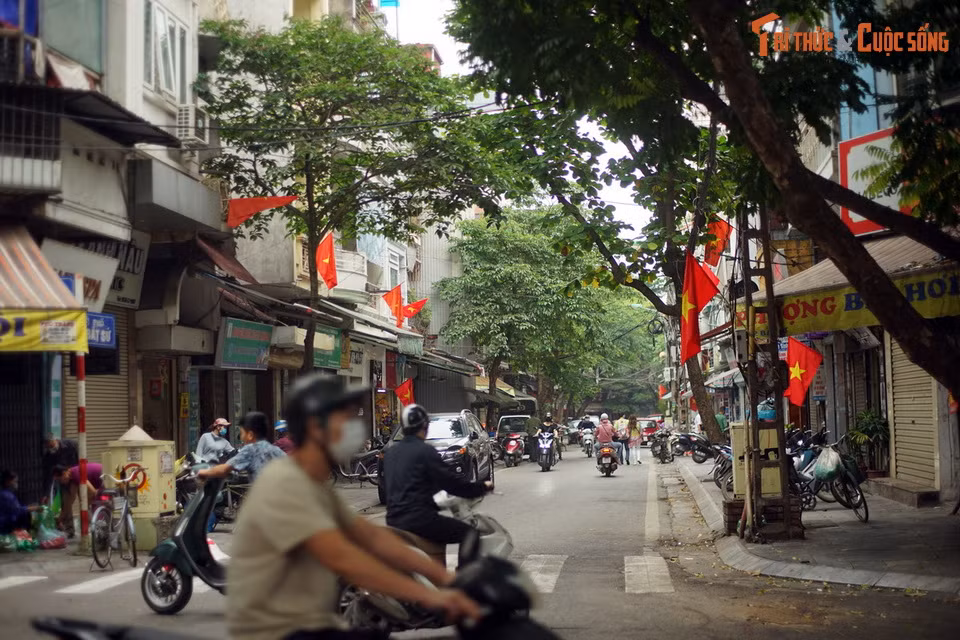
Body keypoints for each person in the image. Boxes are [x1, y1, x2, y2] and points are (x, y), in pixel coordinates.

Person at [227, 374, 481, 640]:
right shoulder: (286, 483)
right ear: (316, 427)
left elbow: (372, 537)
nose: (353, 428)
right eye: (344, 419)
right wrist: (432, 597)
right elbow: (347, 560)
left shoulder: (314, 485)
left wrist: (444, 579)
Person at [385, 404, 491, 548]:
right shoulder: (425, 451)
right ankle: (464, 564)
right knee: (470, 534)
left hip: (393, 522)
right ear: (425, 426)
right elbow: (453, 485)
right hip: (420, 521)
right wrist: (482, 487)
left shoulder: (390, 453)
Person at [197, 412, 285, 483]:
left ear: (250, 435)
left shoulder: (249, 450)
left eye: (242, 433)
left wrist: (203, 472)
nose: (241, 437)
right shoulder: (274, 449)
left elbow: (225, 469)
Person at [54, 462, 103, 536]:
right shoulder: (72, 477)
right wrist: (60, 519)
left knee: (88, 504)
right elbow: (70, 500)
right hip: (98, 477)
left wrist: (88, 501)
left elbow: (91, 490)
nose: (61, 483)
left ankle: (95, 529)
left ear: (64, 473)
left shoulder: (76, 474)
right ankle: (92, 529)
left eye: (59, 480)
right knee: (85, 504)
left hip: (101, 475)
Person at [0, 470, 40, 535]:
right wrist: (32, 508)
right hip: (6, 527)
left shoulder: (7, 494)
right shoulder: (6, 495)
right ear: (8, 482)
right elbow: (17, 510)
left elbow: (16, 507)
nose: (16, 484)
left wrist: (29, 507)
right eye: (15, 481)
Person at [42, 434, 78, 499]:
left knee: (84, 495)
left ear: (55, 440)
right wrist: (46, 494)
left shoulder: (71, 444)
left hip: (77, 474)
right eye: (49, 447)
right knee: (68, 499)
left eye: (52, 446)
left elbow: (82, 458)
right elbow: (48, 475)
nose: (51, 449)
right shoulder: (49, 457)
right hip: (64, 479)